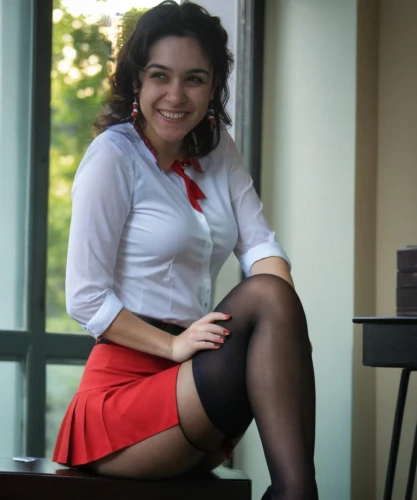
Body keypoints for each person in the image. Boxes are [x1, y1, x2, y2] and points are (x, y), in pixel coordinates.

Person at [52, 1, 318, 499]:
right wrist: (173, 346)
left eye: (194, 79)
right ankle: (298, 493)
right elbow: (85, 298)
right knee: (266, 297)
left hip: (196, 383)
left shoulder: (218, 150)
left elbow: (259, 241)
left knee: (273, 295)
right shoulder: (113, 157)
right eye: (160, 75)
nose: (175, 95)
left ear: (214, 85)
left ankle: (296, 492)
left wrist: (285, 325)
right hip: (124, 400)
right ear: (136, 81)